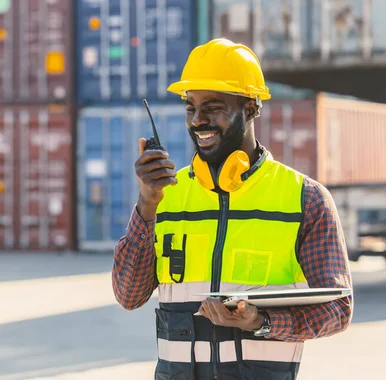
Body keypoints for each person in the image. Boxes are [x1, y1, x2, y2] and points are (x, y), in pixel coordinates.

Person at [112, 38, 353, 379]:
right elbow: (128, 294)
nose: (198, 120)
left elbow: (338, 309)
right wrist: (147, 204)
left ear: (251, 107)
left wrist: (262, 321)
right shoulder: (165, 196)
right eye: (190, 107)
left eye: (213, 107)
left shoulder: (305, 200)